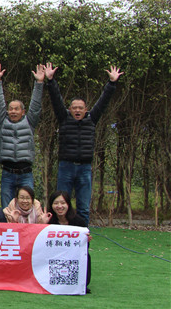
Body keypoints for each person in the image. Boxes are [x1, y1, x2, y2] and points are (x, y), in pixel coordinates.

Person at [45, 63, 122, 224]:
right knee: (60, 205)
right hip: (66, 167)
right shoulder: (64, 118)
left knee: (84, 208)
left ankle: (83, 237)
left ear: (86, 109)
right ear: (70, 109)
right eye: (74, 108)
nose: (77, 110)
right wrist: (50, 81)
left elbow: (103, 101)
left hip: (84, 168)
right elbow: (56, 99)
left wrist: (112, 83)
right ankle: (60, 234)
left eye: (80, 108)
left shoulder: (91, 120)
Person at [0, 62, 45, 209]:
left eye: (16, 109)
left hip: (26, 173)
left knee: (28, 207)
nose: (13, 111)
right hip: (7, 172)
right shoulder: (3, 122)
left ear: (23, 111)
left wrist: (39, 83)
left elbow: (35, 106)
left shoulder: (29, 121)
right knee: (7, 208)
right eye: (11, 109)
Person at [45, 190, 92, 291]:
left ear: (68, 204)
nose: (59, 206)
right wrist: (42, 224)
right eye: (56, 203)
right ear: (51, 205)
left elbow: (84, 248)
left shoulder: (79, 221)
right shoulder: (48, 221)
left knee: (86, 256)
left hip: (73, 256)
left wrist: (86, 240)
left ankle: (80, 282)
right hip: (54, 256)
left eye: (63, 203)